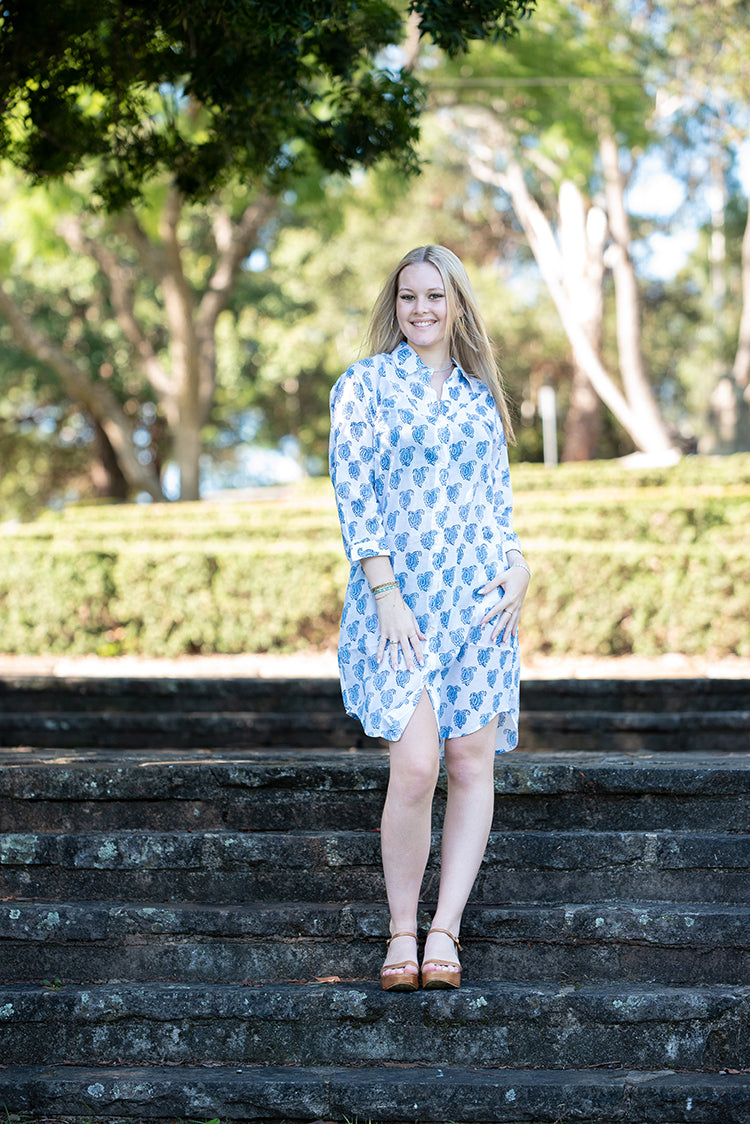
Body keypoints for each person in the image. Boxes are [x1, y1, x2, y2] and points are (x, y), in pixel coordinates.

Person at [329, 245, 530, 991]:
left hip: (480, 606)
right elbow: (357, 498)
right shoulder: (363, 387)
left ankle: (445, 929)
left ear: (457, 306)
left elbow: (495, 505)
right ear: (396, 305)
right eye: (408, 297)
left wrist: (520, 566)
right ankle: (401, 931)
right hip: (400, 608)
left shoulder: (482, 397)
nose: (421, 310)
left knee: (472, 762)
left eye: (435, 297)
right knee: (415, 766)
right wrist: (385, 594)